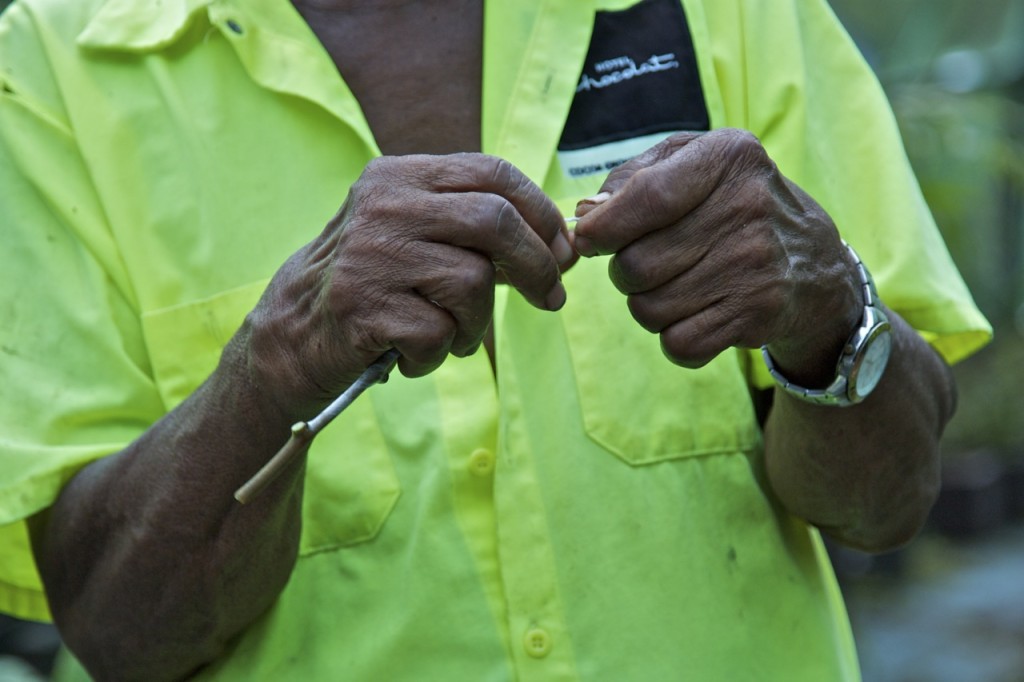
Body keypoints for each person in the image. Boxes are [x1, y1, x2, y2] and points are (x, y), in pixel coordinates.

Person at [0, 0, 991, 679]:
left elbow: (885, 499)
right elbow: (120, 629)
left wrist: (827, 314)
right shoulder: (56, 62)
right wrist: (274, 370)